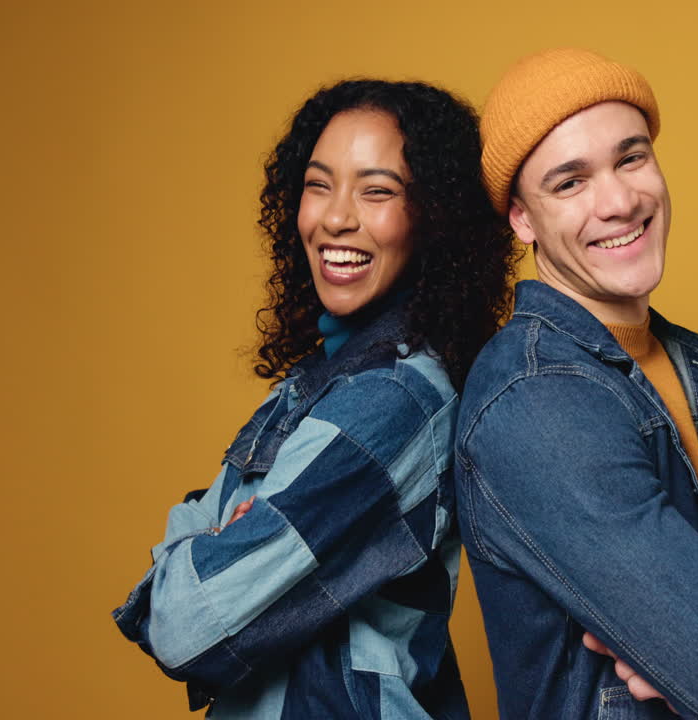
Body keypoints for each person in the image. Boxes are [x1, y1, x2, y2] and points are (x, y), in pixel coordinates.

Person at [455, 48, 698, 719]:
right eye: (569, 183)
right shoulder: (532, 399)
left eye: (630, 157)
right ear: (522, 220)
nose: (618, 201)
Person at [113, 79, 516, 718]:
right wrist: (213, 545)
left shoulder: (393, 403)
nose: (335, 217)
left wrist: (205, 543)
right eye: (319, 184)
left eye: (378, 190)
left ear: (435, 218)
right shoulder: (317, 384)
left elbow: (187, 624)